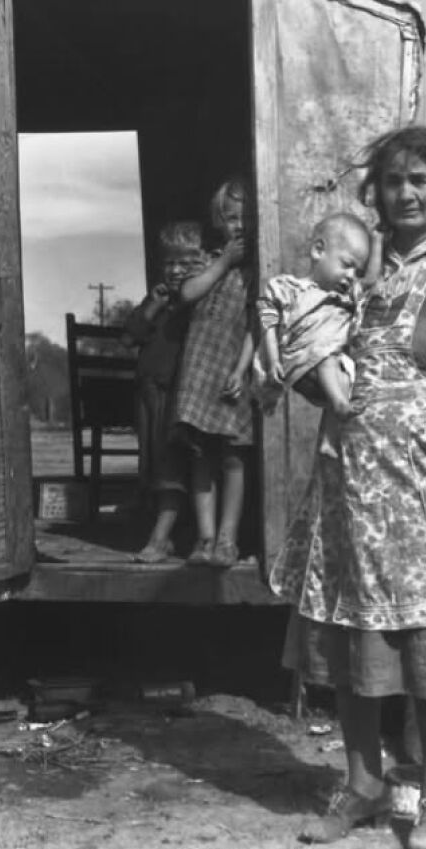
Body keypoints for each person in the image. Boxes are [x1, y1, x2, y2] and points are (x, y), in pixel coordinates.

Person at [269, 125, 426, 849]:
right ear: (373, 191)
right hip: (351, 479)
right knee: (353, 629)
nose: (405, 193)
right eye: (392, 181)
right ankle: (362, 782)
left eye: (420, 180)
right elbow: (321, 358)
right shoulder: (354, 274)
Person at [171, 178, 255, 567]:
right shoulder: (207, 260)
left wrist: (241, 369)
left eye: (246, 218)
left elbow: (258, 324)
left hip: (233, 371)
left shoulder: (257, 270)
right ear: (220, 221)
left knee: (234, 455)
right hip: (200, 370)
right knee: (201, 454)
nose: (239, 226)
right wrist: (223, 263)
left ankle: (227, 539)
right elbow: (187, 293)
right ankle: (205, 538)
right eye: (232, 218)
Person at [122, 221, 207, 561]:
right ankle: (165, 531)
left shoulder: (199, 302)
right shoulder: (158, 299)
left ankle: (160, 538)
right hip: (149, 395)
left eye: (185, 263)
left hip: (178, 396)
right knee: (153, 463)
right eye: (170, 262)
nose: (175, 270)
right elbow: (128, 337)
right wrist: (152, 307)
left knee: (171, 465)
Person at [254, 212, 376, 419]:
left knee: (346, 375)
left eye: (357, 272)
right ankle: (339, 404)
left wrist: (378, 240)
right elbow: (268, 322)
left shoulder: (347, 296)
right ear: (318, 250)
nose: (351, 276)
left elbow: (371, 282)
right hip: (302, 363)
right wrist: (273, 360)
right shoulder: (288, 288)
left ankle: (336, 420)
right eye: (347, 265)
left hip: (330, 373)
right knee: (326, 357)